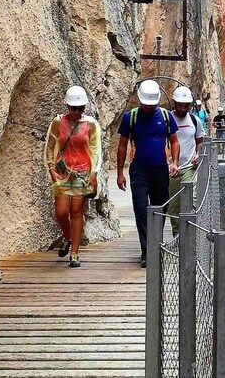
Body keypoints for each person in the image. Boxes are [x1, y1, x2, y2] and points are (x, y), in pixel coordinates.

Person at [116, 80, 180, 267]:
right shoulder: (131, 117)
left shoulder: (166, 116)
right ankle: (147, 252)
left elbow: (174, 141)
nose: (149, 107)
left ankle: (155, 244)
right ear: (140, 100)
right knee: (141, 209)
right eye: (146, 104)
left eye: (152, 104)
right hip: (139, 171)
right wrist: (120, 173)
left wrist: (174, 162)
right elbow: (122, 145)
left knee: (160, 209)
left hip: (160, 169)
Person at [44, 86, 101, 268]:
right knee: (61, 212)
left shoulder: (91, 124)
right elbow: (50, 145)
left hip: (82, 172)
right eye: (73, 108)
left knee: (76, 211)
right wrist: (51, 168)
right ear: (67, 107)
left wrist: (94, 174)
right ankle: (68, 238)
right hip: (62, 171)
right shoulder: (58, 122)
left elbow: (96, 149)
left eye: (80, 108)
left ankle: (75, 253)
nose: (76, 112)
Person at [165, 86, 204, 235]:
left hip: (189, 167)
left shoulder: (194, 120)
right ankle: (177, 235)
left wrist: (198, 154)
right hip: (171, 169)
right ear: (175, 103)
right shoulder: (167, 118)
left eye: (186, 105)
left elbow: (199, 140)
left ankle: (189, 233)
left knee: (190, 200)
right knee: (174, 205)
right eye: (180, 105)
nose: (182, 108)